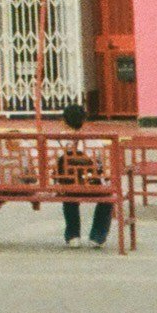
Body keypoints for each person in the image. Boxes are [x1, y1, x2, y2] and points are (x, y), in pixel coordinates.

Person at [54, 102, 114, 248]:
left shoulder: (57, 140)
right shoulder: (94, 141)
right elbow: (100, 166)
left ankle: (73, 236)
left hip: (67, 187)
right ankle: (97, 237)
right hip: (90, 185)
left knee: (69, 191)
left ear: (64, 121)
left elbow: (53, 166)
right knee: (108, 197)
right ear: (84, 120)